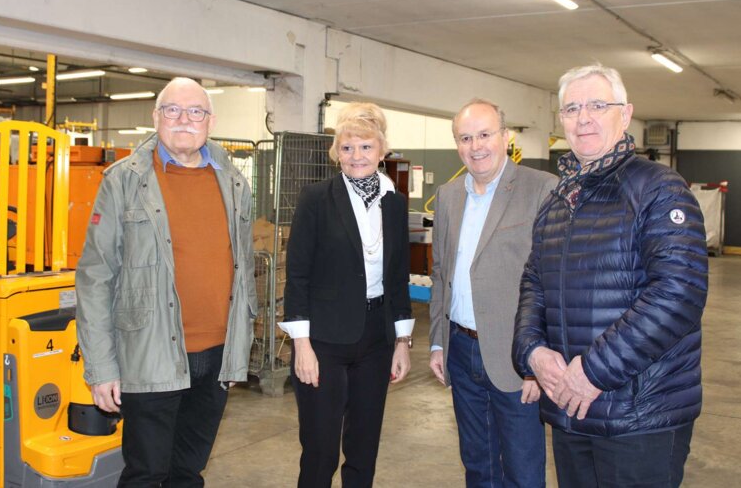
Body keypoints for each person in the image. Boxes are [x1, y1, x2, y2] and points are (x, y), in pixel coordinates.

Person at [513, 64, 708, 488]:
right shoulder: (558, 201)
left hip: (640, 416)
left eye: (598, 105)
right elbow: (534, 282)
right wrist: (532, 352)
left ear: (626, 113)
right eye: (572, 109)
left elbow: (679, 294)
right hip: (571, 408)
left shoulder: (659, 188)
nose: (583, 118)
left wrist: (593, 372)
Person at [75, 77, 257, 487]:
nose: (184, 120)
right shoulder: (123, 181)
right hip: (149, 351)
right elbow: (95, 276)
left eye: (195, 112)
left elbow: (243, 269)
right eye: (172, 110)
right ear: (156, 117)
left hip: (216, 354)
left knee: (188, 473)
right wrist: (101, 368)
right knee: (147, 473)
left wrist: (237, 352)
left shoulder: (233, 182)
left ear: (210, 121)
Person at [281, 102, 413, 488]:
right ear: (336, 152)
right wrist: (301, 345)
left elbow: (398, 277)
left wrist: (402, 342)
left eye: (366, 147)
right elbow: (297, 275)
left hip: (376, 339)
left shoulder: (394, 203)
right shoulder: (316, 198)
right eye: (347, 147)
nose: (357, 156)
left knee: (364, 447)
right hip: (324, 340)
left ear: (382, 150)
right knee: (320, 449)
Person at [428, 99, 557, 487]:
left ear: (506, 136)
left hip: (516, 356)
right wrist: (438, 342)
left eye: (485, 134)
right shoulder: (448, 196)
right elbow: (441, 273)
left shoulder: (541, 189)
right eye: (465, 138)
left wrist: (538, 362)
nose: (476, 146)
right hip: (461, 350)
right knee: (478, 464)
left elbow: (553, 281)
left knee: (522, 470)